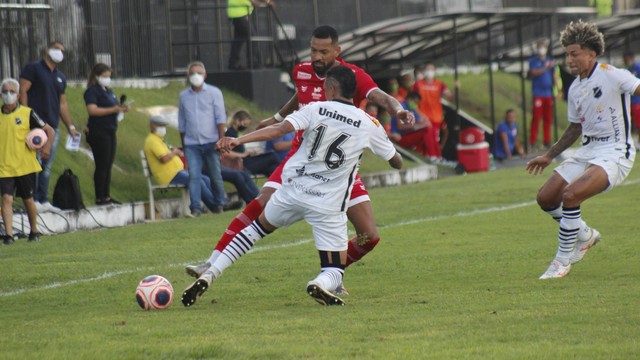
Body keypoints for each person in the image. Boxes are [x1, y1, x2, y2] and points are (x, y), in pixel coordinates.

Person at [184, 25, 414, 292]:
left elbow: (380, 96)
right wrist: (278, 117)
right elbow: (300, 96)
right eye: (314, 50)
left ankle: (334, 276)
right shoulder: (302, 71)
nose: (316, 56)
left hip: (341, 168)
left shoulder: (351, 76)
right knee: (260, 204)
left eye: (324, 52)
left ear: (337, 51)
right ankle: (211, 264)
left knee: (369, 236)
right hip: (300, 157)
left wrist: (398, 110)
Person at [526, 20, 640, 279]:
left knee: (571, 195)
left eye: (574, 53)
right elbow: (575, 128)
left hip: (615, 153)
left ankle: (561, 261)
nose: (569, 59)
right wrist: (549, 155)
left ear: (591, 53)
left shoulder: (612, 74)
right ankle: (585, 235)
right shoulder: (575, 87)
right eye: (567, 54)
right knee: (545, 197)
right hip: (588, 151)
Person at [19, 41, 79, 212]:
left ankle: (43, 199)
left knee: (47, 165)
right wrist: (25, 116)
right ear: (47, 50)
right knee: (34, 163)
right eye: (56, 49)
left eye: (62, 50)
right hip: (36, 124)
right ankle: (33, 199)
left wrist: (71, 127)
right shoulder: (34, 69)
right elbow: (23, 90)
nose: (59, 52)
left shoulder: (60, 76)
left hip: (53, 127)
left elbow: (62, 104)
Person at [144, 116, 249, 212]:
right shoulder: (152, 141)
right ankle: (215, 206)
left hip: (176, 172)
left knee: (206, 179)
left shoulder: (159, 140)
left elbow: (165, 155)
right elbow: (164, 158)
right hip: (169, 175)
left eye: (164, 126)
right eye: (160, 126)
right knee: (197, 180)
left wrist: (173, 150)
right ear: (152, 125)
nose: (163, 128)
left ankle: (220, 201)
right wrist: (174, 152)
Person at [0, 78, 55, 244]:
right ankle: (9, 235)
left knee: (28, 199)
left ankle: (34, 230)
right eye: (5, 91)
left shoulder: (27, 113)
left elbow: (49, 130)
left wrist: (46, 147)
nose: (8, 95)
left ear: (18, 95)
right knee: (7, 199)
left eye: (11, 92)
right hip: (4, 165)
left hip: (25, 166)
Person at [178, 61, 227, 217]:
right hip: (192, 143)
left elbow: (220, 119)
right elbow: (182, 122)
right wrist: (184, 144)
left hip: (212, 142)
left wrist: (221, 141)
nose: (196, 76)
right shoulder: (183, 96)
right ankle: (195, 208)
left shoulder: (214, 92)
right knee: (194, 176)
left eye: (199, 73)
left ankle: (219, 203)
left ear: (205, 75)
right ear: (188, 76)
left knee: (215, 175)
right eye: (192, 73)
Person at [83, 63, 129, 205]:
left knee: (108, 164)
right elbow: (93, 110)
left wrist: (121, 109)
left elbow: (114, 106)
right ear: (97, 76)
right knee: (101, 164)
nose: (107, 79)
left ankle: (106, 195)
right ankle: (99, 196)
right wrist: (114, 109)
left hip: (110, 129)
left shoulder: (109, 91)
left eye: (109, 76)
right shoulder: (92, 91)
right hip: (99, 131)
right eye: (104, 76)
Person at [412, 63, 454, 160]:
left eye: (431, 69)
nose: (429, 71)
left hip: (437, 118)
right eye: (427, 69)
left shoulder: (440, 84)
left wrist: (456, 89)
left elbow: (450, 97)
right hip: (424, 118)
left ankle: (435, 157)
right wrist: (418, 113)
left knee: (434, 139)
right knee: (427, 138)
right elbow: (412, 101)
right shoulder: (418, 84)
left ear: (434, 71)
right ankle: (433, 157)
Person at [223, 110, 281, 176]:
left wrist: (248, 153)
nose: (245, 127)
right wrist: (243, 155)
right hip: (243, 165)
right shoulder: (230, 133)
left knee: (272, 168)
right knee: (272, 156)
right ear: (237, 121)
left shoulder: (235, 133)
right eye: (244, 124)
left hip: (246, 162)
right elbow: (225, 153)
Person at [227, 0, 275, 70]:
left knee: (238, 39)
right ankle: (253, 63)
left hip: (237, 14)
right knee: (253, 37)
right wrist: (253, 1)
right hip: (240, 14)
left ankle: (233, 63)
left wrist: (267, 2)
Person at [528, 39, 556, 149]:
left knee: (548, 118)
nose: (542, 49)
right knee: (536, 117)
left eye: (543, 47)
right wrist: (545, 67)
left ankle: (547, 140)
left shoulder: (550, 60)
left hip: (548, 93)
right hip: (538, 93)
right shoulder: (534, 61)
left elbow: (554, 75)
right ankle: (533, 141)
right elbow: (533, 72)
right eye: (540, 47)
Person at [389, 91, 432, 156]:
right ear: (409, 99)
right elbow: (400, 127)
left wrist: (416, 109)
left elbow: (422, 119)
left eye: (417, 103)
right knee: (426, 131)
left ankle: (428, 153)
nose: (415, 104)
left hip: (406, 134)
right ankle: (431, 154)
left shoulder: (411, 108)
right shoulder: (401, 108)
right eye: (415, 102)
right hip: (399, 137)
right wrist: (414, 126)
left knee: (428, 129)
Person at [623, 52, 640, 140]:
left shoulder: (637, 67)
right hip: (628, 102)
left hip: (637, 101)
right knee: (628, 123)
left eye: (626, 59)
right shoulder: (625, 69)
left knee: (638, 124)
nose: (625, 61)